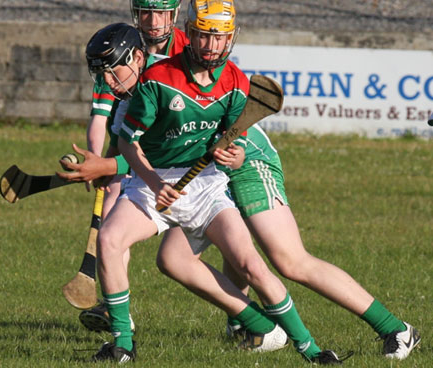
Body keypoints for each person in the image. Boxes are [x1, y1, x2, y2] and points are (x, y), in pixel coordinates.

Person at [87, 0, 341, 364]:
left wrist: (233, 155)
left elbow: (231, 144)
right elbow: (127, 144)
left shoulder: (237, 83)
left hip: (206, 185)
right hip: (153, 182)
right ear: (189, 33)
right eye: (204, 35)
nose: (211, 45)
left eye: (220, 37)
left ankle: (312, 351)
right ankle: (123, 344)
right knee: (109, 239)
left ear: (231, 37)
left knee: (251, 265)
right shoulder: (158, 80)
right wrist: (155, 183)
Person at [157, 123, 421, 361]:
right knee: (175, 258)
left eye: (116, 67)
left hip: (247, 162)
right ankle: (253, 325)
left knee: (291, 261)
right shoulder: (126, 96)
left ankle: (396, 329)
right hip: (202, 168)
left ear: (138, 64)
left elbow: (234, 114)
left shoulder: (163, 79)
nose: (113, 76)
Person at [78, 0, 189, 333]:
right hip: (130, 138)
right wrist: (95, 161)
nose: (153, 23)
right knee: (111, 208)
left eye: (162, 15)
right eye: (145, 14)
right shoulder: (118, 45)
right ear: (135, 12)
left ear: (174, 14)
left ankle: (244, 318)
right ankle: (113, 307)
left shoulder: (189, 48)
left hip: (180, 147)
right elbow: (100, 116)